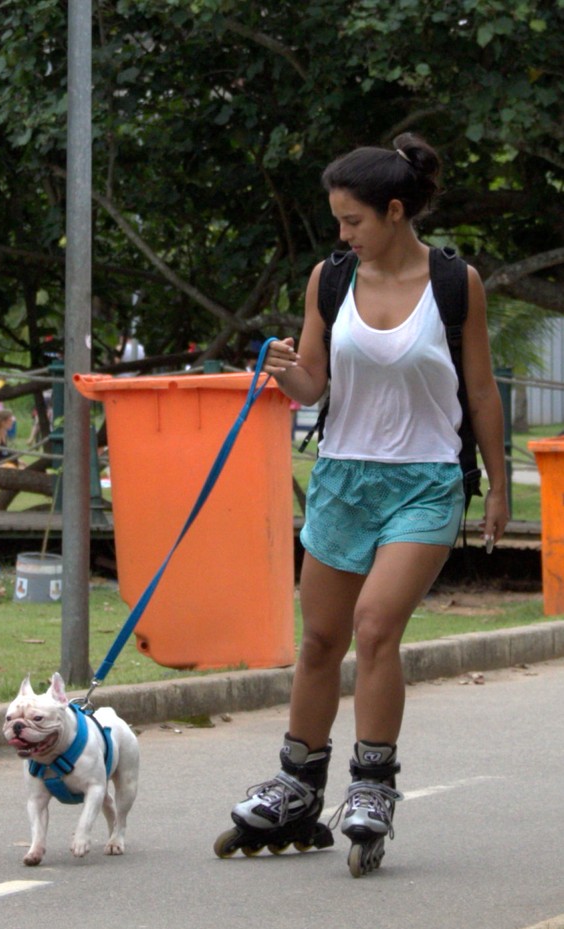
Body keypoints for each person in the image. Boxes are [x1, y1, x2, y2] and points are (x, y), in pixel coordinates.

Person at [215, 133, 509, 875]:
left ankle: (373, 784)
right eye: (338, 221)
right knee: (319, 640)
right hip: (344, 477)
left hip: (425, 480)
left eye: (352, 220)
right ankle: (295, 785)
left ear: (396, 210)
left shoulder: (454, 282)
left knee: (375, 626)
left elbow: (479, 390)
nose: (341, 234)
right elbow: (316, 382)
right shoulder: (330, 279)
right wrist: (286, 371)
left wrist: (499, 482)